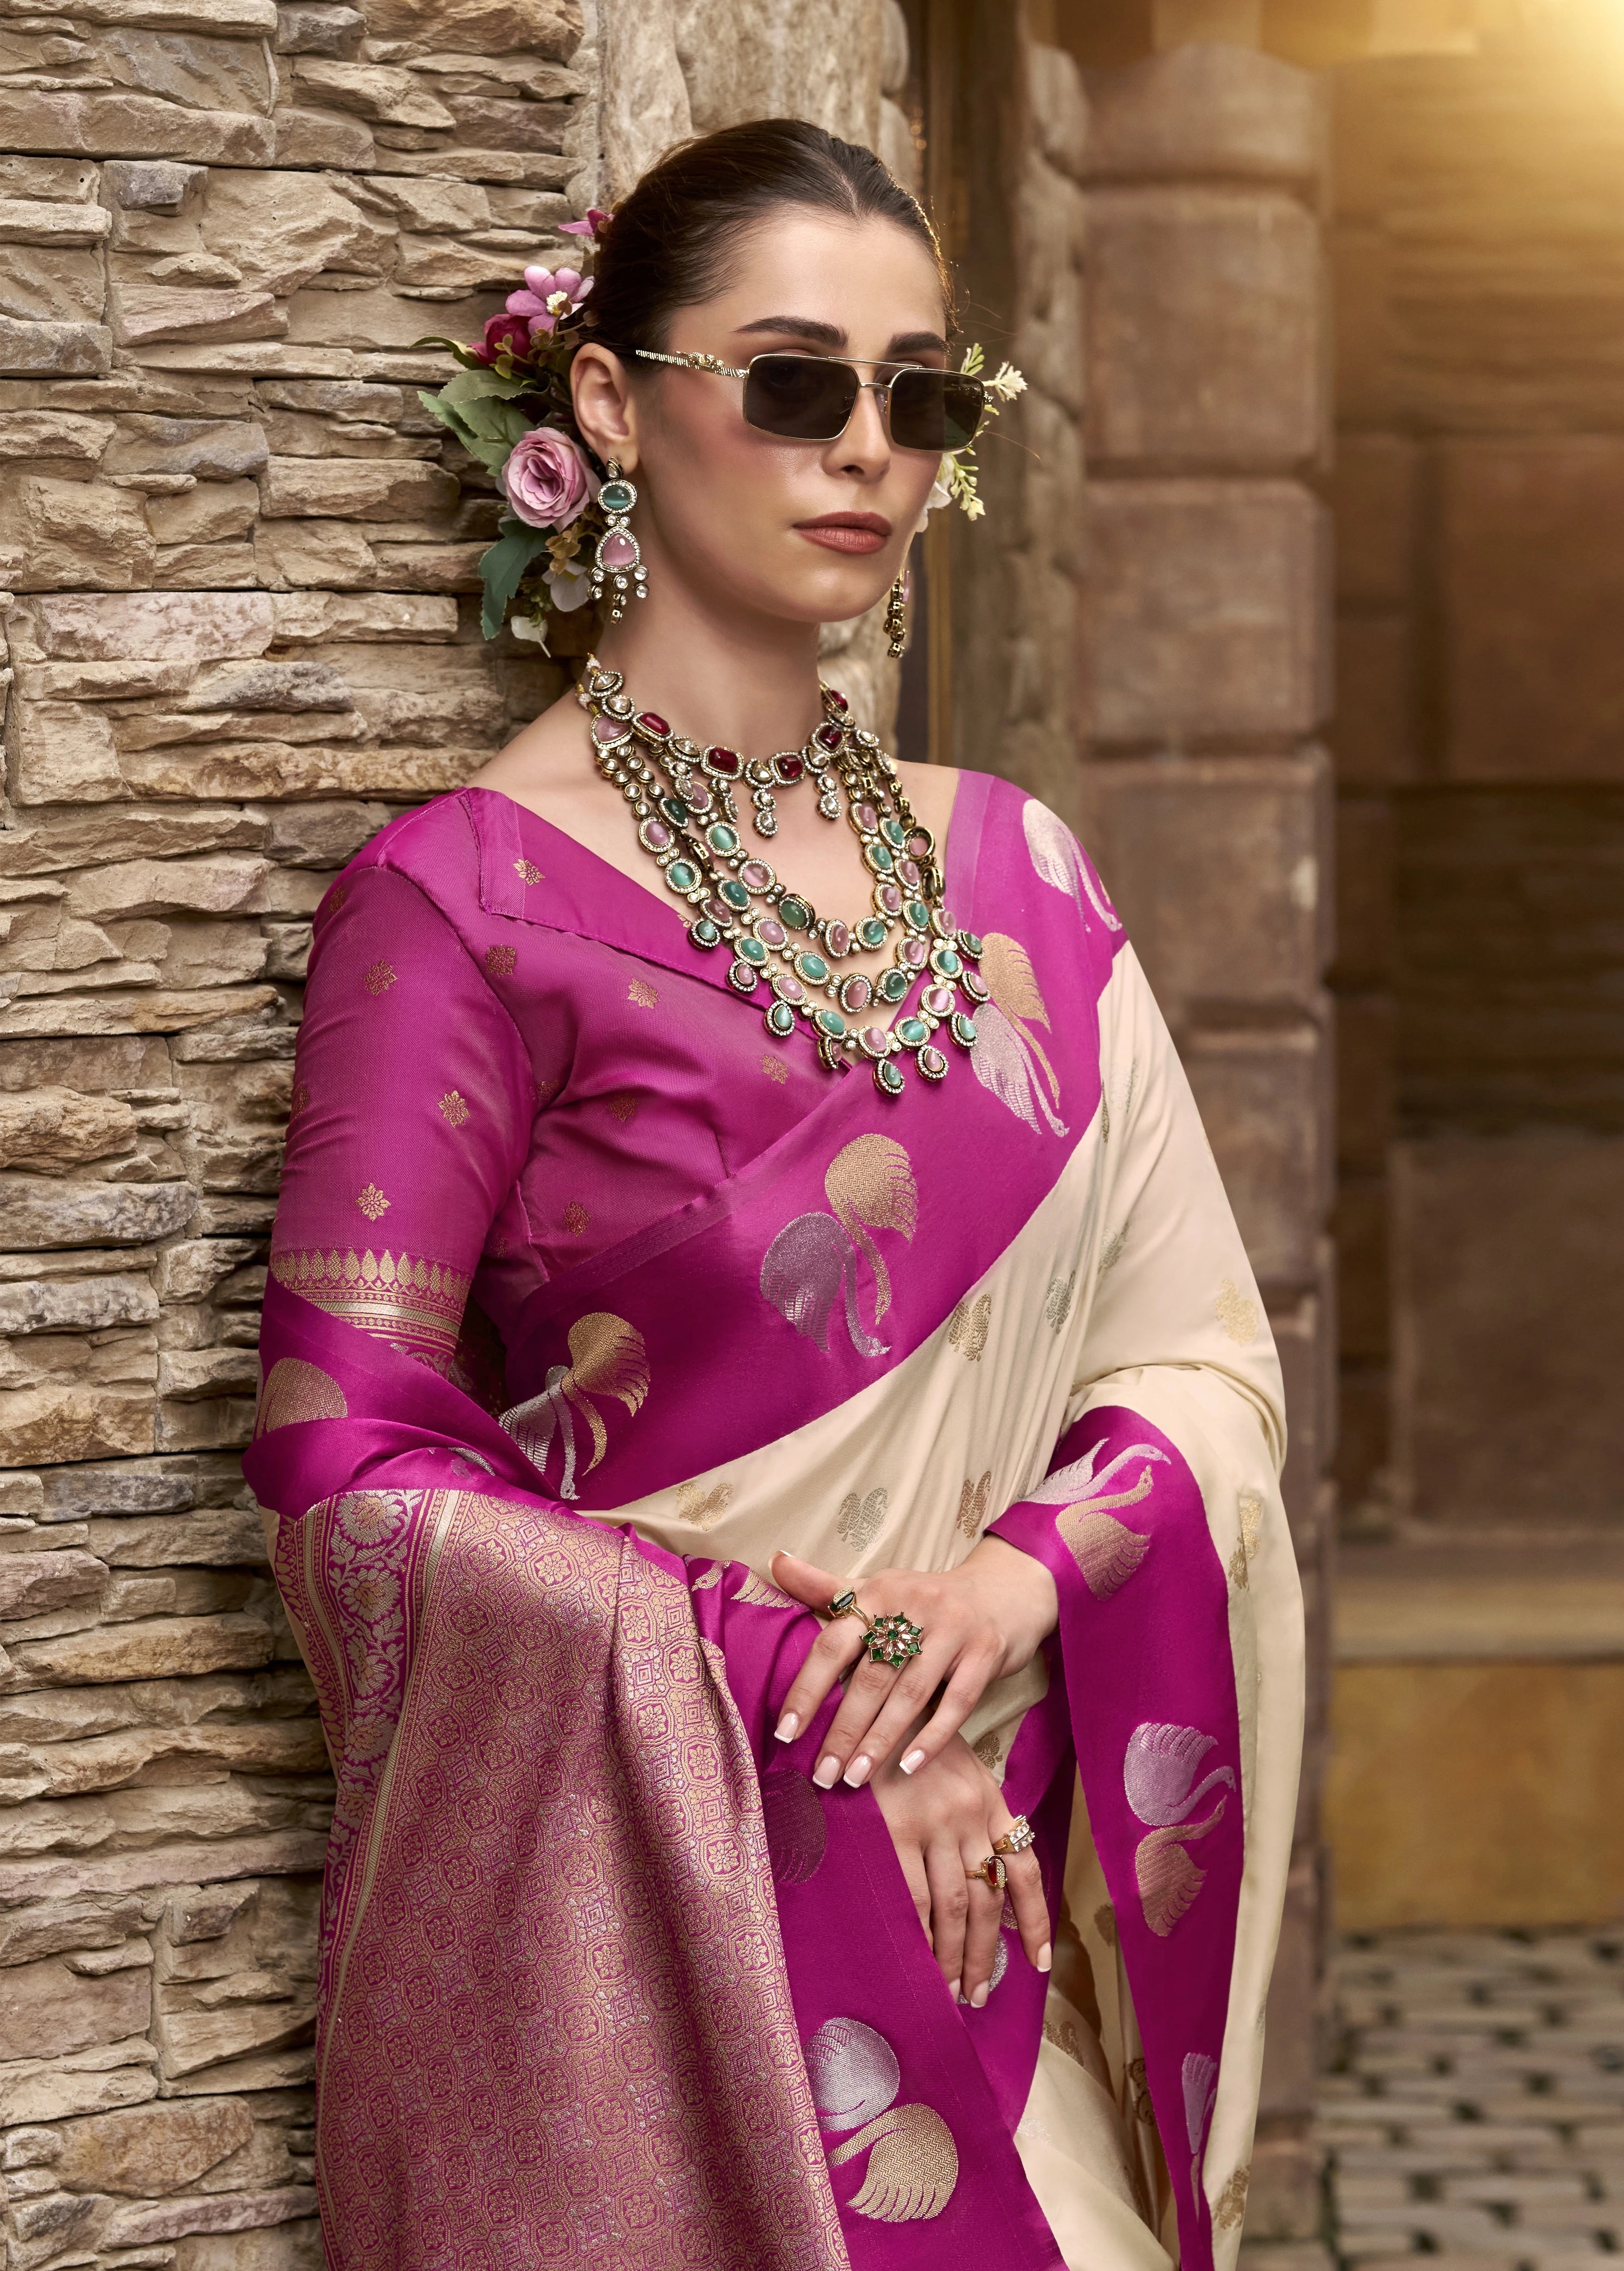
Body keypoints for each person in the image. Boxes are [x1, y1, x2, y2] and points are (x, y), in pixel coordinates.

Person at [246, 116, 1303, 2271]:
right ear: (614, 408)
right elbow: (341, 1464)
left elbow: (1195, 1355)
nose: (871, 452)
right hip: (685, 1903)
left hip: (1002, 1859)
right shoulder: (460, 906)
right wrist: (790, 1688)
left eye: (923, 396)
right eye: (796, 380)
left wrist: (1007, 1590)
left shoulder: (1023, 874)